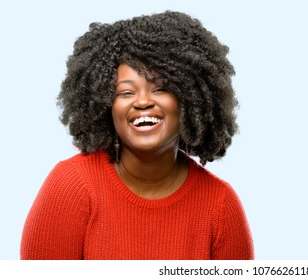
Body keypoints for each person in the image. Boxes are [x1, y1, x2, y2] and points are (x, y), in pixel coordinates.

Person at [20, 11, 253, 260]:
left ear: (190, 98)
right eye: (126, 92)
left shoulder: (220, 206)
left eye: (160, 88)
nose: (142, 101)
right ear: (106, 105)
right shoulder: (70, 187)